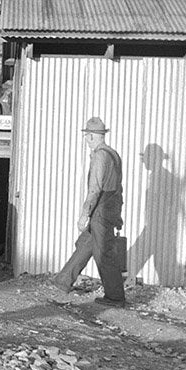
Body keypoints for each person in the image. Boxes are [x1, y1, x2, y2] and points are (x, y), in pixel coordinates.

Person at [53, 116, 126, 305]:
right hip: (110, 207)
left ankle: (115, 297)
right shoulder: (113, 154)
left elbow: (95, 189)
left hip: (101, 209)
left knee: (104, 254)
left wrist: (84, 214)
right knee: (85, 244)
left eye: (87, 135)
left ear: (93, 136)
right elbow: (118, 187)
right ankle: (63, 281)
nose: (86, 139)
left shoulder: (100, 156)